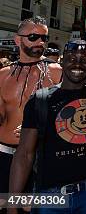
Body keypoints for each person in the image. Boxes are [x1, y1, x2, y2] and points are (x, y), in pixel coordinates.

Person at [8, 41, 86, 214]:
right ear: (62, 62)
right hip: (51, 196)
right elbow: (24, 154)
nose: (78, 63)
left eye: (85, 59)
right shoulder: (40, 100)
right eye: (71, 58)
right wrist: (12, 204)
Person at [0, 17, 62, 199]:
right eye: (34, 37)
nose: (40, 42)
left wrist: (40, 126)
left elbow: (71, 114)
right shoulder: (3, 75)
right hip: (4, 156)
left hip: (41, 157)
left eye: (44, 38)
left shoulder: (57, 72)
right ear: (18, 39)